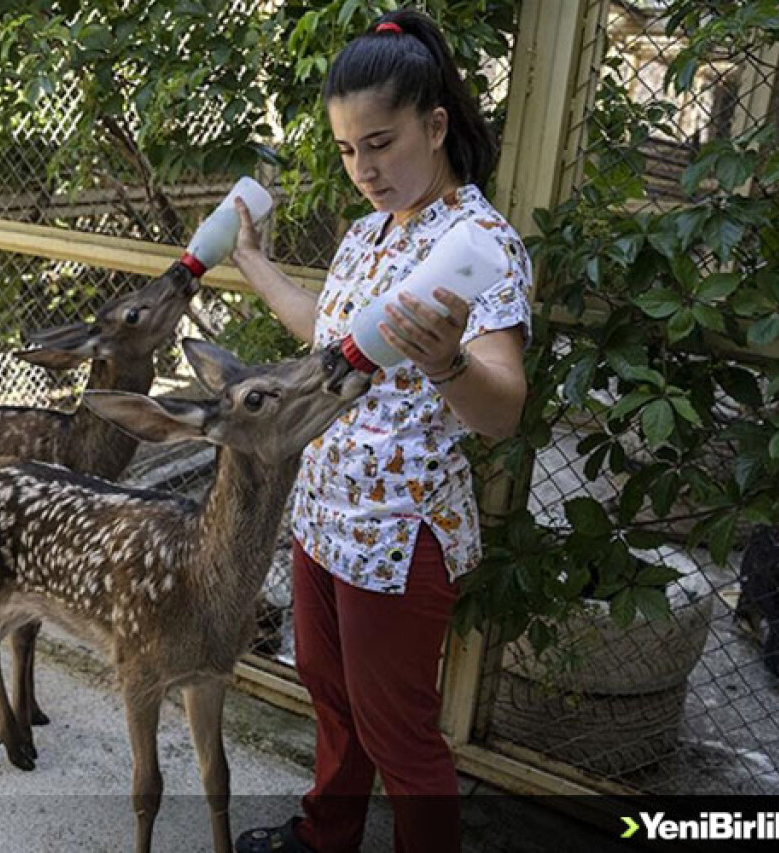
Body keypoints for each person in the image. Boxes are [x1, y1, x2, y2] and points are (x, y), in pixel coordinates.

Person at [231, 8, 531, 853]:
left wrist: (448, 364)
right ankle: (327, 835)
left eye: (380, 143)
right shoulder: (368, 234)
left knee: (399, 732)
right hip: (325, 512)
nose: (363, 169)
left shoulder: (479, 244)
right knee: (332, 699)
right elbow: (333, 342)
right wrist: (254, 262)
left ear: (434, 127)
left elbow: (504, 410)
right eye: (346, 150)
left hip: (398, 534)